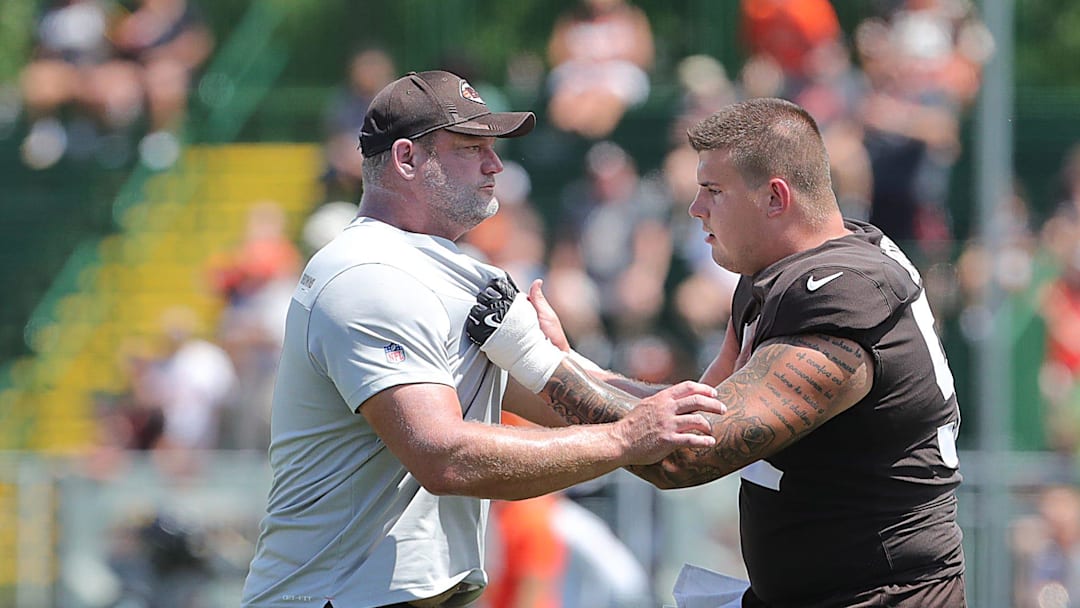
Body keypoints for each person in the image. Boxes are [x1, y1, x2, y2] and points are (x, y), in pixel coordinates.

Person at [239, 69, 725, 608]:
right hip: (329, 599)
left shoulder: (447, 270)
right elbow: (443, 456)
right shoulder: (367, 274)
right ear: (405, 159)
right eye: (471, 148)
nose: (496, 165)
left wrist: (694, 403)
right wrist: (626, 439)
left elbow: (558, 398)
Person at [467, 97, 966, 606]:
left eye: (713, 191)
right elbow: (692, 407)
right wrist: (571, 363)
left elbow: (682, 454)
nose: (695, 208)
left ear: (775, 197)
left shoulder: (842, 295)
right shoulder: (777, 275)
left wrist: (531, 358)